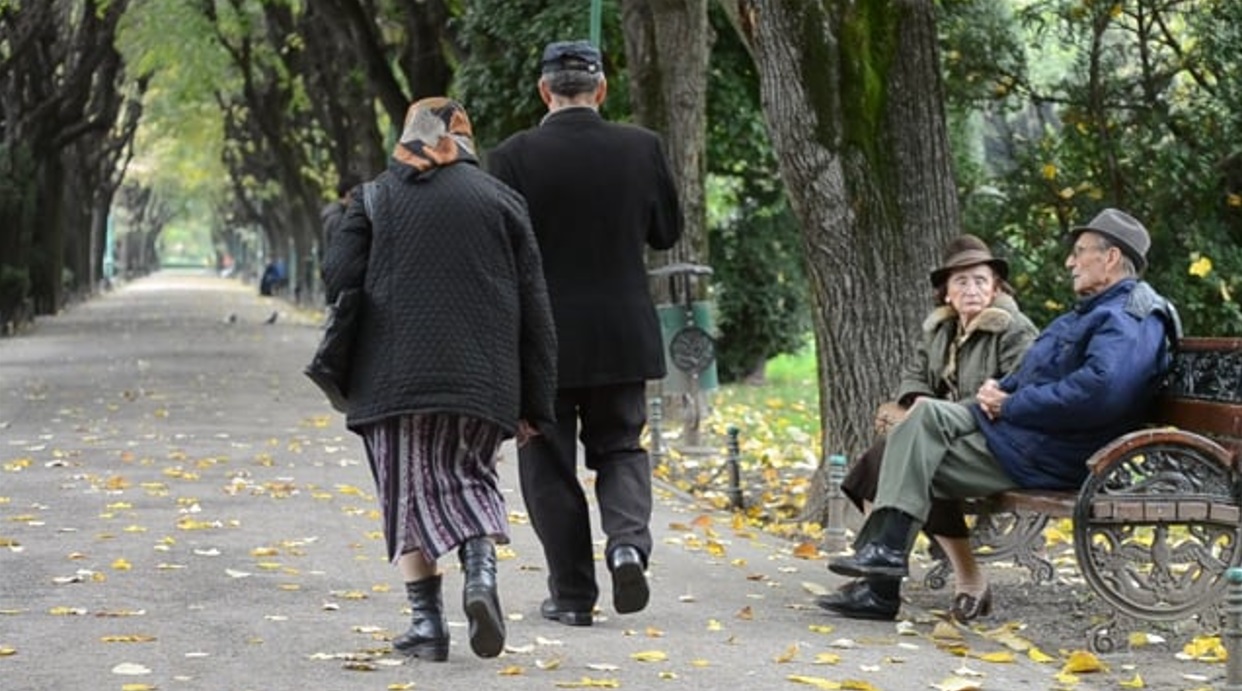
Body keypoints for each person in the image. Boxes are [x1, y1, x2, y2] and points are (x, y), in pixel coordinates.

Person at [824, 208, 1179, 620]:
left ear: (1111, 257)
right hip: (1022, 433)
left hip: (1051, 452)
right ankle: (882, 566)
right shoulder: (1094, 311)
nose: (1070, 262)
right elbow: (1037, 371)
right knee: (917, 425)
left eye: (1079, 252)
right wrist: (1002, 389)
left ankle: (882, 578)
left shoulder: (1129, 318)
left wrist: (1011, 403)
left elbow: (1098, 393)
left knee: (904, 453)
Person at [321, 97, 557, 661]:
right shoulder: (503, 201)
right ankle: (480, 577)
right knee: (471, 476)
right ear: (465, 138)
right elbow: (536, 308)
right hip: (484, 381)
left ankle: (427, 625)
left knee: (406, 492)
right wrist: (535, 402)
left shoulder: (376, 197)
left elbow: (338, 277)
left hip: (393, 382)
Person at [486, 39, 683, 627]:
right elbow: (666, 232)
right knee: (621, 446)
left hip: (543, 339)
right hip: (623, 332)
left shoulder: (513, 156)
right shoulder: (641, 147)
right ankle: (627, 545)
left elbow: (502, 256)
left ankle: (572, 596)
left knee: (547, 462)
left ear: (545, 91)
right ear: (600, 90)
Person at [820, 235, 1038, 622]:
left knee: (913, 458)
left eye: (980, 281)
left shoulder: (1015, 329)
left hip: (991, 436)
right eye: (962, 282)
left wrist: (940, 412)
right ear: (947, 293)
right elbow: (914, 375)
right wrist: (917, 398)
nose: (972, 290)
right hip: (943, 431)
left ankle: (897, 584)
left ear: (996, 287)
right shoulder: (940, 331)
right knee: (881, 463)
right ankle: (880, 586)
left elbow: (1018, 392)